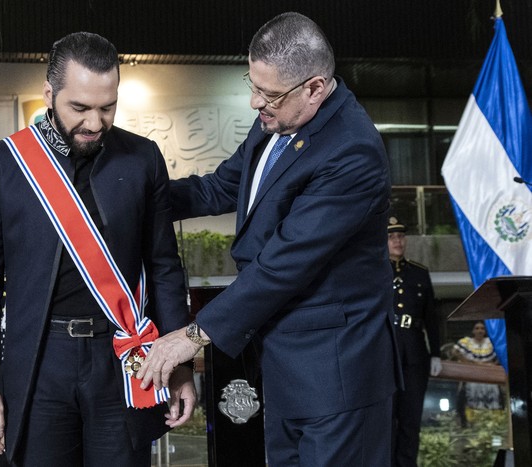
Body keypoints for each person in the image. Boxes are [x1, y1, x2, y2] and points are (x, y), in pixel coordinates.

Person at [137, 11, 400, 467]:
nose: (255, 103)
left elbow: (284, 264)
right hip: (283, 371)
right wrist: (136, 198)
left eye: (269, 94)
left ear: (315, 87)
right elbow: (217, 188)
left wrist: (194, 335)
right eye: (253, 86)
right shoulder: (279, 123)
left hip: (336, 381)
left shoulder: (352, 150)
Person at [0, 32, 195, 466]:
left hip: (123, 358)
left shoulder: (143, 158)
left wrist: (179, 364)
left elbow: (164, 267)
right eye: (80, 108)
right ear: (48, 93)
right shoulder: (1, 164)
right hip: (39, 359)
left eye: (108, 107)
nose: (94, 122)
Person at [387, 217, 442, 467]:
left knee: (411, 420)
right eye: (391, 237)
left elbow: (432, 316)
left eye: (400, 236)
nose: (397, 241)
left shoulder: (419, 273)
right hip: (384, 354)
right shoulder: (373, 272)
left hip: (415, 354)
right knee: (386, 420)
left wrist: (437, 353)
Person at [453, 321, 503, 425]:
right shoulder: (466, 342)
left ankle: (493, 424)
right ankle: (473, 424)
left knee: (493, 400)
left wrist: (493, 364)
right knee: (471, 400)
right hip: (472, 378)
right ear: (473, 331)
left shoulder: (492, 341)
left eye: (482, 328)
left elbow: (503, 353)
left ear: (485, 331)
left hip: (490, 378)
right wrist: (469, 363)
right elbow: (455, 352)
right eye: (477, 328)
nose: (479, 330)